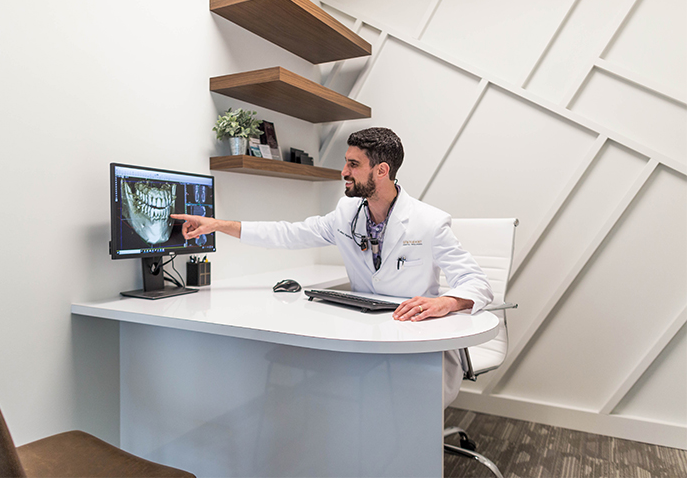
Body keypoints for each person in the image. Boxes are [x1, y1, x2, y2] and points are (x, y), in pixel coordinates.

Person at [171, 127, 493, 407]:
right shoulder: (346, 213)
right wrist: (217, 224)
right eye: (345, 162)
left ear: (381, 170)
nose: (343, 171)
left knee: (408, 416)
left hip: (417, 346)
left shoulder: (429, 222)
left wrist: (445, 302)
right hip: (367, 341)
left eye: (353, 164)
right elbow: (289, 233)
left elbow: (476, 282)